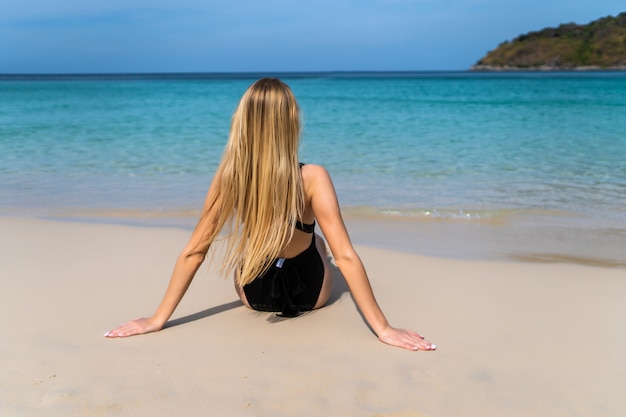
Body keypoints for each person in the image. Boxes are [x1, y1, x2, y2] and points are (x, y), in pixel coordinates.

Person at [105, 78, 436, 351]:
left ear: (243, 121)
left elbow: (195, 251)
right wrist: (383, 328)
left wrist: (156, 319)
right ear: (291, 122)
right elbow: (345, 256)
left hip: (255, 295)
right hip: (311, 295)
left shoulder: (230, 177)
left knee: (264, 246)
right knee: (320, 243)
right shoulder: (313, 177)